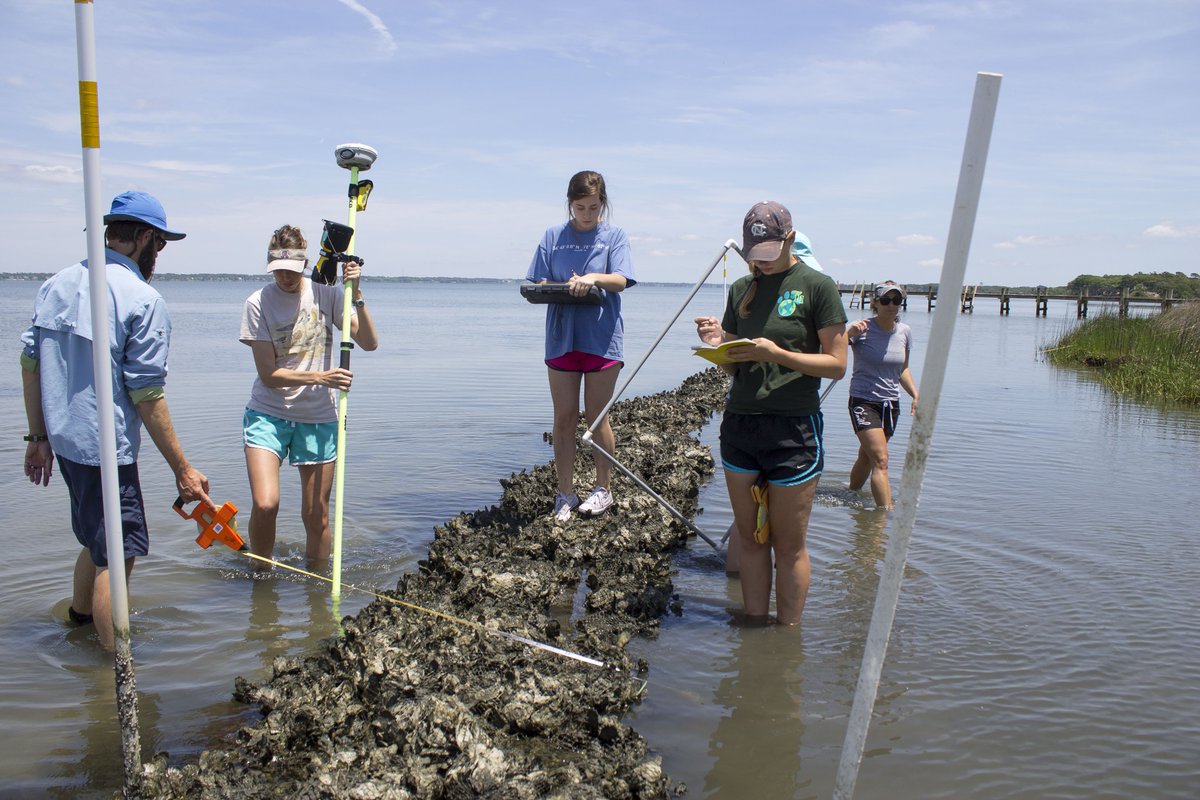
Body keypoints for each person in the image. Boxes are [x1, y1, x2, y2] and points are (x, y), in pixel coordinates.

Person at [20, 190, 213, 650]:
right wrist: (183, 470)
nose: (159, 256)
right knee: (118, 556)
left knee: (97, 539)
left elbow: (30, 363)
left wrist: (37, 436)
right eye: (160, 245)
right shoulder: (142, 299)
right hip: (105, 449)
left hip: (66, 443)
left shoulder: (56, 283)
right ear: (143, 238)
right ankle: (117, 679)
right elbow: (147, 395)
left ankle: (79, 624)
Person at [695, 201, 847, 625]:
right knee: (749, 539)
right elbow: (734, 365)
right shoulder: (741, 289)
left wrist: (778, 353)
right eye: (753, 255)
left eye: (768, 254)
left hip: (793, 429)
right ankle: (754, 633)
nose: (758, 263)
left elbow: (837, 365)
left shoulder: (818, 286)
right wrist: (715, 345)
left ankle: (788, 638)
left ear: (791, 240)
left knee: (788, 546)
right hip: (741, 426)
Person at [240, 224, 379, 567]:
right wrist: (321, 376)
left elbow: (369, 343)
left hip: (318, 417)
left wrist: (355, 292)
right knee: (266, 503)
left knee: (316, 515)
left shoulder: (326, 295)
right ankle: (261, 573)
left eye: (292, 270)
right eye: (278, 271)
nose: (285, 278)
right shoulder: (257, 303)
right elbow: (269, 375)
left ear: (304, 263)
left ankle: (317, 589)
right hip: (268, 413)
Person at [526, 170, 636, 523]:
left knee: (596, 417)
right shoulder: (553, 235)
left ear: (603, 203)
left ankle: (604, 489)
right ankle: (565, 494)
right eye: (580, 208)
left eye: (593, 207)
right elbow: (536, 279)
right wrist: (550, 285)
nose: (587, 215)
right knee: (564, 419)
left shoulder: (615, 235)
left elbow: (620, 279)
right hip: (562, 337)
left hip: (602, 338)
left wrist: (591, 278)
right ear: (569, 204)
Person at [847, 282, 918, 509]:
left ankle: (851, 494)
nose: (891, 305)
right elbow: (832, 350)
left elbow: (903, 369)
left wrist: (916, 395)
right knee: (881, 460)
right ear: (875, 302)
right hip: (863, 401)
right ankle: (883, 517)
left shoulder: (904, 332)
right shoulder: (861, 329)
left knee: (867, 457)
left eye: (896, 300)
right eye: (885, 300)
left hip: (890, 404)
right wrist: (848, 334)